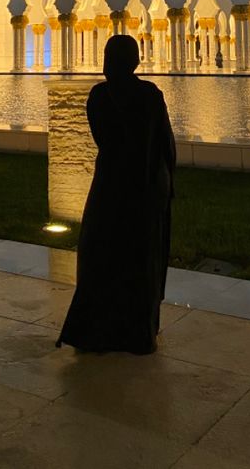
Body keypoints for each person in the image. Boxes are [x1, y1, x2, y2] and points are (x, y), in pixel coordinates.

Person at [56, 34, 176, 354]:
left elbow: (102, 139)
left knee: (101, 259)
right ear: (135, 62)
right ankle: (137, 334)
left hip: (108, 189)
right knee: (138, 262)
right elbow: (164, 144)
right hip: (142, 191)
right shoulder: (149, 96)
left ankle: (95, 331)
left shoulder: (98, 96)